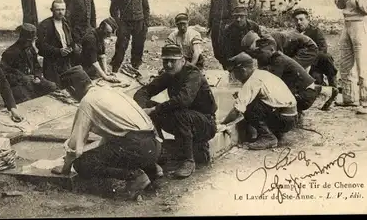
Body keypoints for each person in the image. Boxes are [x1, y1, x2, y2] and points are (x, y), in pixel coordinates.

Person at [50, 66, 162, 199]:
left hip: (137, 147)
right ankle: (152, 168)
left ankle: (135, 176)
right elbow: (115, 134)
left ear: (72, 89)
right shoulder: (109, 90)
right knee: (116, 146)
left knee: (82, 163)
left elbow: (75, 146)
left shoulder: (87, 102)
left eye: (69, 92)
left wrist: (66, 168)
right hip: (154, 144)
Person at [133, 44, 217, 178]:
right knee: (151, 106)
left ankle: (188, 161)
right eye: (166, 61)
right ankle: (159, 151)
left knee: (176, 112)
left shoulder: (193, 74)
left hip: (205, 124)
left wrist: (153, 110)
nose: (169, 65)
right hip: (184, 122)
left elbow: (184, 100)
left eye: (173, 61)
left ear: (182, 60)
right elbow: (143, 91)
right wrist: (143, 109)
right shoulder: (169, 74)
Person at [221, 52, 297, 150]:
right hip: (291, 117)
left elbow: (237, 110)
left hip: (283, 120)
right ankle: (273, 133)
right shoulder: (262, 73)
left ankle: (267, 137)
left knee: (248, 106)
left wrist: (222, 123)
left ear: (243, 70)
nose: (234, 77)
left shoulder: (252, 81)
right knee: (250, 101)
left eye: (234, 73)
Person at [252, 38, 336, 125]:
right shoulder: (275, 59)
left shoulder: (278, 61)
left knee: (273, 96)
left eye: (261, 52)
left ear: (272, 50)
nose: (259, 55)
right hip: (304, 90)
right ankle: (321, 90)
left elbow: (270, 84)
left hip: (304, 97)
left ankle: (296, 114)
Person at [1, 23, 57, 104]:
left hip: (32, 81)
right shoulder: (10, 53)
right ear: (22, 39)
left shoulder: (30, 49)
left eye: (32, 40)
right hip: (17, 84)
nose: (31, 43)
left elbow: (37, 66)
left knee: (52, 86)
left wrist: (37, 76)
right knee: (27, 101)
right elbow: (3, 75)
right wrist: (22, 78)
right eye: (29, 41)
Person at [110, 0, 150, 71]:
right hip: (124, 23)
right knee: (121, 46)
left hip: (139, 23)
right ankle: (115, 67)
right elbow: (113, 9)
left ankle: (135, 67)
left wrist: (145, 23)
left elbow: (146, 9)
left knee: (138, 46)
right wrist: (118, 22)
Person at [37, 0, 81, 86]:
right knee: (55, 88)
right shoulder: (45, 25)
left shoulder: (67, 23)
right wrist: (58, 51)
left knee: (69, 86)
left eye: (62, 9)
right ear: (52, 10)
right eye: (58, 10)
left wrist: (74, 47)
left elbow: (75, 39)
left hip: (67, 61)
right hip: (52, 63)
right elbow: (40, 45)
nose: (60, 12)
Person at [292, 8, 339, 90]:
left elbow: (323, 48)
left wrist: (311, 61)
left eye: (301, 19)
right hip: (301, 65)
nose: (298, 22)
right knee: (316, 84)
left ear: (307, 20)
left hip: (315, 63)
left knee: (326, 57)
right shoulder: (293, 34)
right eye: (296, 20)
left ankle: (333, 85)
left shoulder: (315, 31)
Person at [241, 29, 318, 70]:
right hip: (298, 48)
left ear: (254, 43)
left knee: (289, 69)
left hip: (308, 47)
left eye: (250, 48)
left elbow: (271, 58)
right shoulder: (264, 40)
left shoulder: (268, 41)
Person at [207, 0, 238, 66]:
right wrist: (210, 26)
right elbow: (211, 12)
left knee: (228, 51)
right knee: (217, 52)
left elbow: (235, 11)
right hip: (216, 27)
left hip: (227, 27)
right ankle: (226, 68)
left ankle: (231, 72)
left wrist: (230, 25)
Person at [80, 17, 121, 83]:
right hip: (85, 67)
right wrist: (105, 77)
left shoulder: (100, 35)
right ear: (101, 27)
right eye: (107, 33)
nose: (109, 36)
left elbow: (102, 55)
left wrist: (106, 72)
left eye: (110, 33)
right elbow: (94, 62)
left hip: (93, 65)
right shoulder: (91, 38)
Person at [221, 5, 261, 70]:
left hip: (251, 53)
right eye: (236, 17)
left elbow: (260, 42)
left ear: (246, 17)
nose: (238, 19)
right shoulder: (228, 30)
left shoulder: (254, 26)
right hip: (236, 55)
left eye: (241, 16)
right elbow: (226, 50)